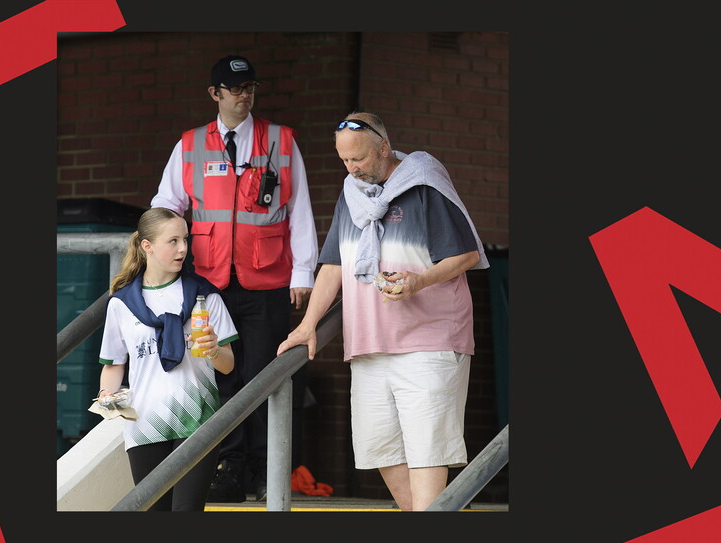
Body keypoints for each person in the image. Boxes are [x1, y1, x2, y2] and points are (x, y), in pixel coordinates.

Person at [277, 112, 490, 511]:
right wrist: (308, 324)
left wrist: (418, 282)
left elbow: (466, 254)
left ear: (384, 148)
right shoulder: (350, 195)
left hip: (429, 343)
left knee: (427, 452)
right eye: (344, 160)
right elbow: (334, 265)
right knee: (381, 449)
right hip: (368, 346)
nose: (352, 168)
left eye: (358, 158)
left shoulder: (425, 184)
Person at [151, 54, 319, 503]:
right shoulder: (190, 145)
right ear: (215, 93)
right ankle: (228, 469)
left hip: (268, 281)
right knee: (216, 377)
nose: (244, 96)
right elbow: (166, 205)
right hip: (209, 283)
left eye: (250, 88)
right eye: (235, 88)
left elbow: (300, 210)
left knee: (265, 377)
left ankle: (267, 472)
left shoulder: (280, 141)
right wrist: (163, 261)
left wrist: (303, 271)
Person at [96, 207, 239, 512]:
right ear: (147, 246)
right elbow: (114, 364)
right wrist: (107, 394)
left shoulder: (205, 296)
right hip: (145, 422)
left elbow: (228, 365)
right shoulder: (121, 303)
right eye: (173, 241)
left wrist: (214, 349)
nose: (183, 248)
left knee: (187, 510)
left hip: (199, 418)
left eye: (185, 239)